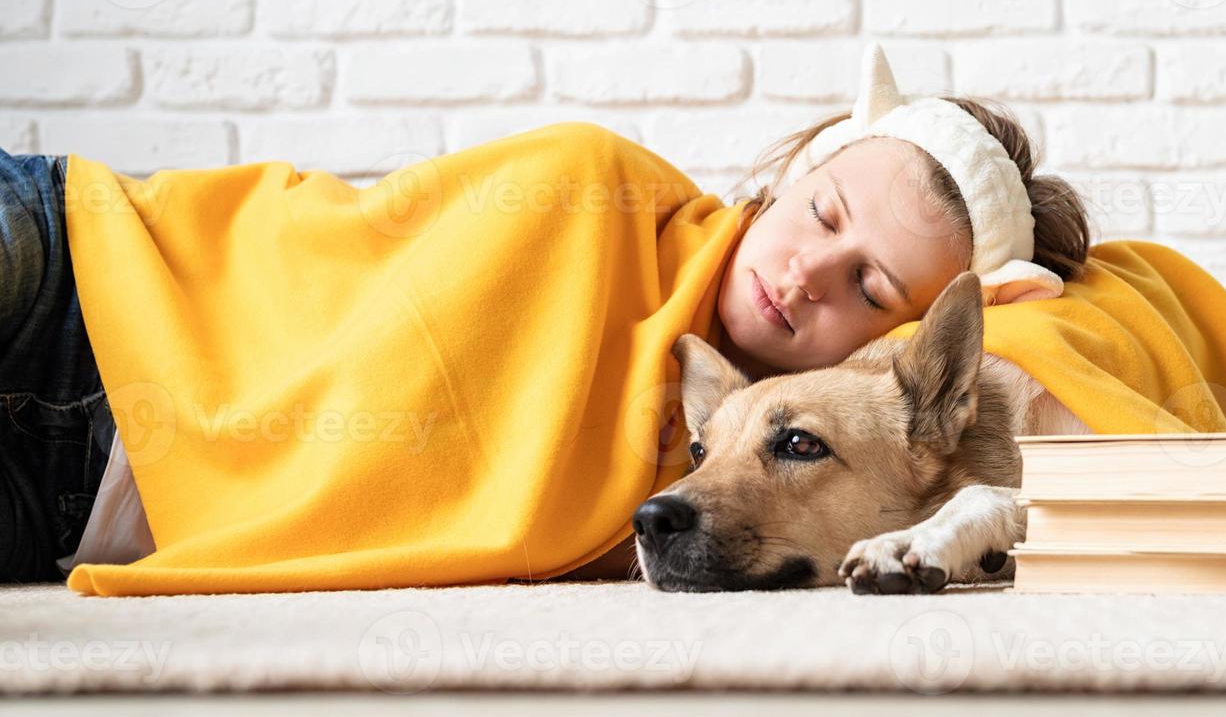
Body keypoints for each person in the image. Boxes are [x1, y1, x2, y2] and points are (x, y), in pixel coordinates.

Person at [1, 44, 1093, 589]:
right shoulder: (600, 189)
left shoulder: (724, 451)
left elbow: (1112, 338)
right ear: (791, 176)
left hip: (62, 499)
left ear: (895, 344)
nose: (809, 272)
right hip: (88, 279)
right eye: (820, 212)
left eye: (868, 287)